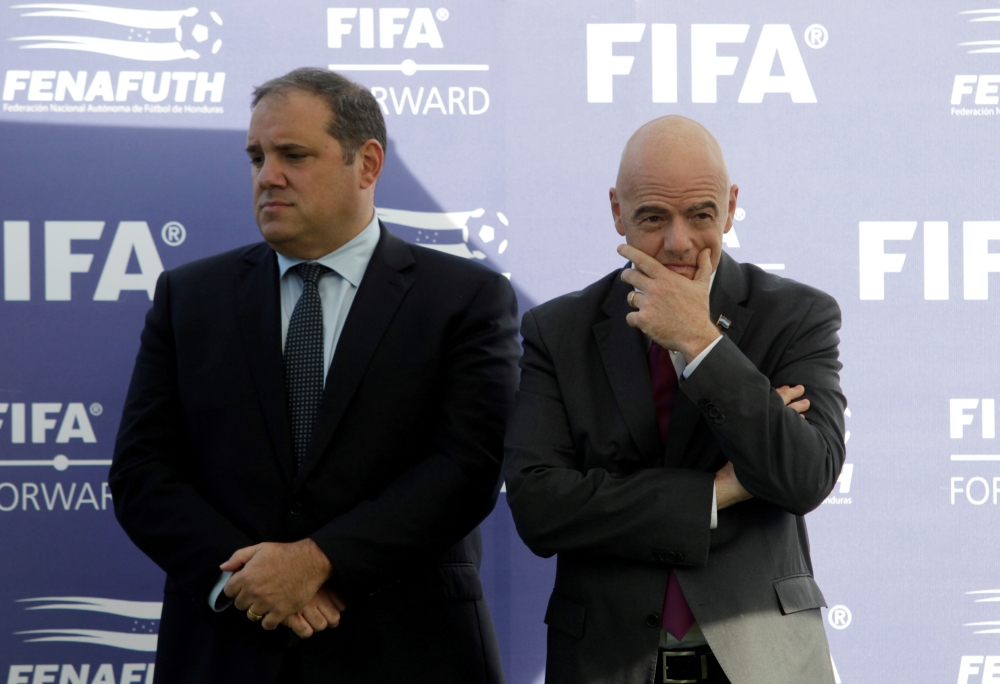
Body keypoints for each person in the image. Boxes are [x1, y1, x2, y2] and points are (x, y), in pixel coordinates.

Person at [109, 67, 518, 684]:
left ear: (368, 163)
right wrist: (245, 582)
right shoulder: (188, 298)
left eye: (293, 155)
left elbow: (467, 468)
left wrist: (320, 561)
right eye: (256, 157)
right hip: (229, 650)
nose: (267, 176)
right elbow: (142, 473)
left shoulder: (464, 298)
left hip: (410, 652)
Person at [503, 115, 845, 684]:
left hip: (765, 659)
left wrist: (701, 342)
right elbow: (540, 507)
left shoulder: (796, 316)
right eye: (653, 217)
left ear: (732, 206)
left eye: (701, 215)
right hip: (607, 661)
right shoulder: (557, 331)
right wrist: (718, 491)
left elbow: (805, 476)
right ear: (617, 210)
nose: (678, 241)